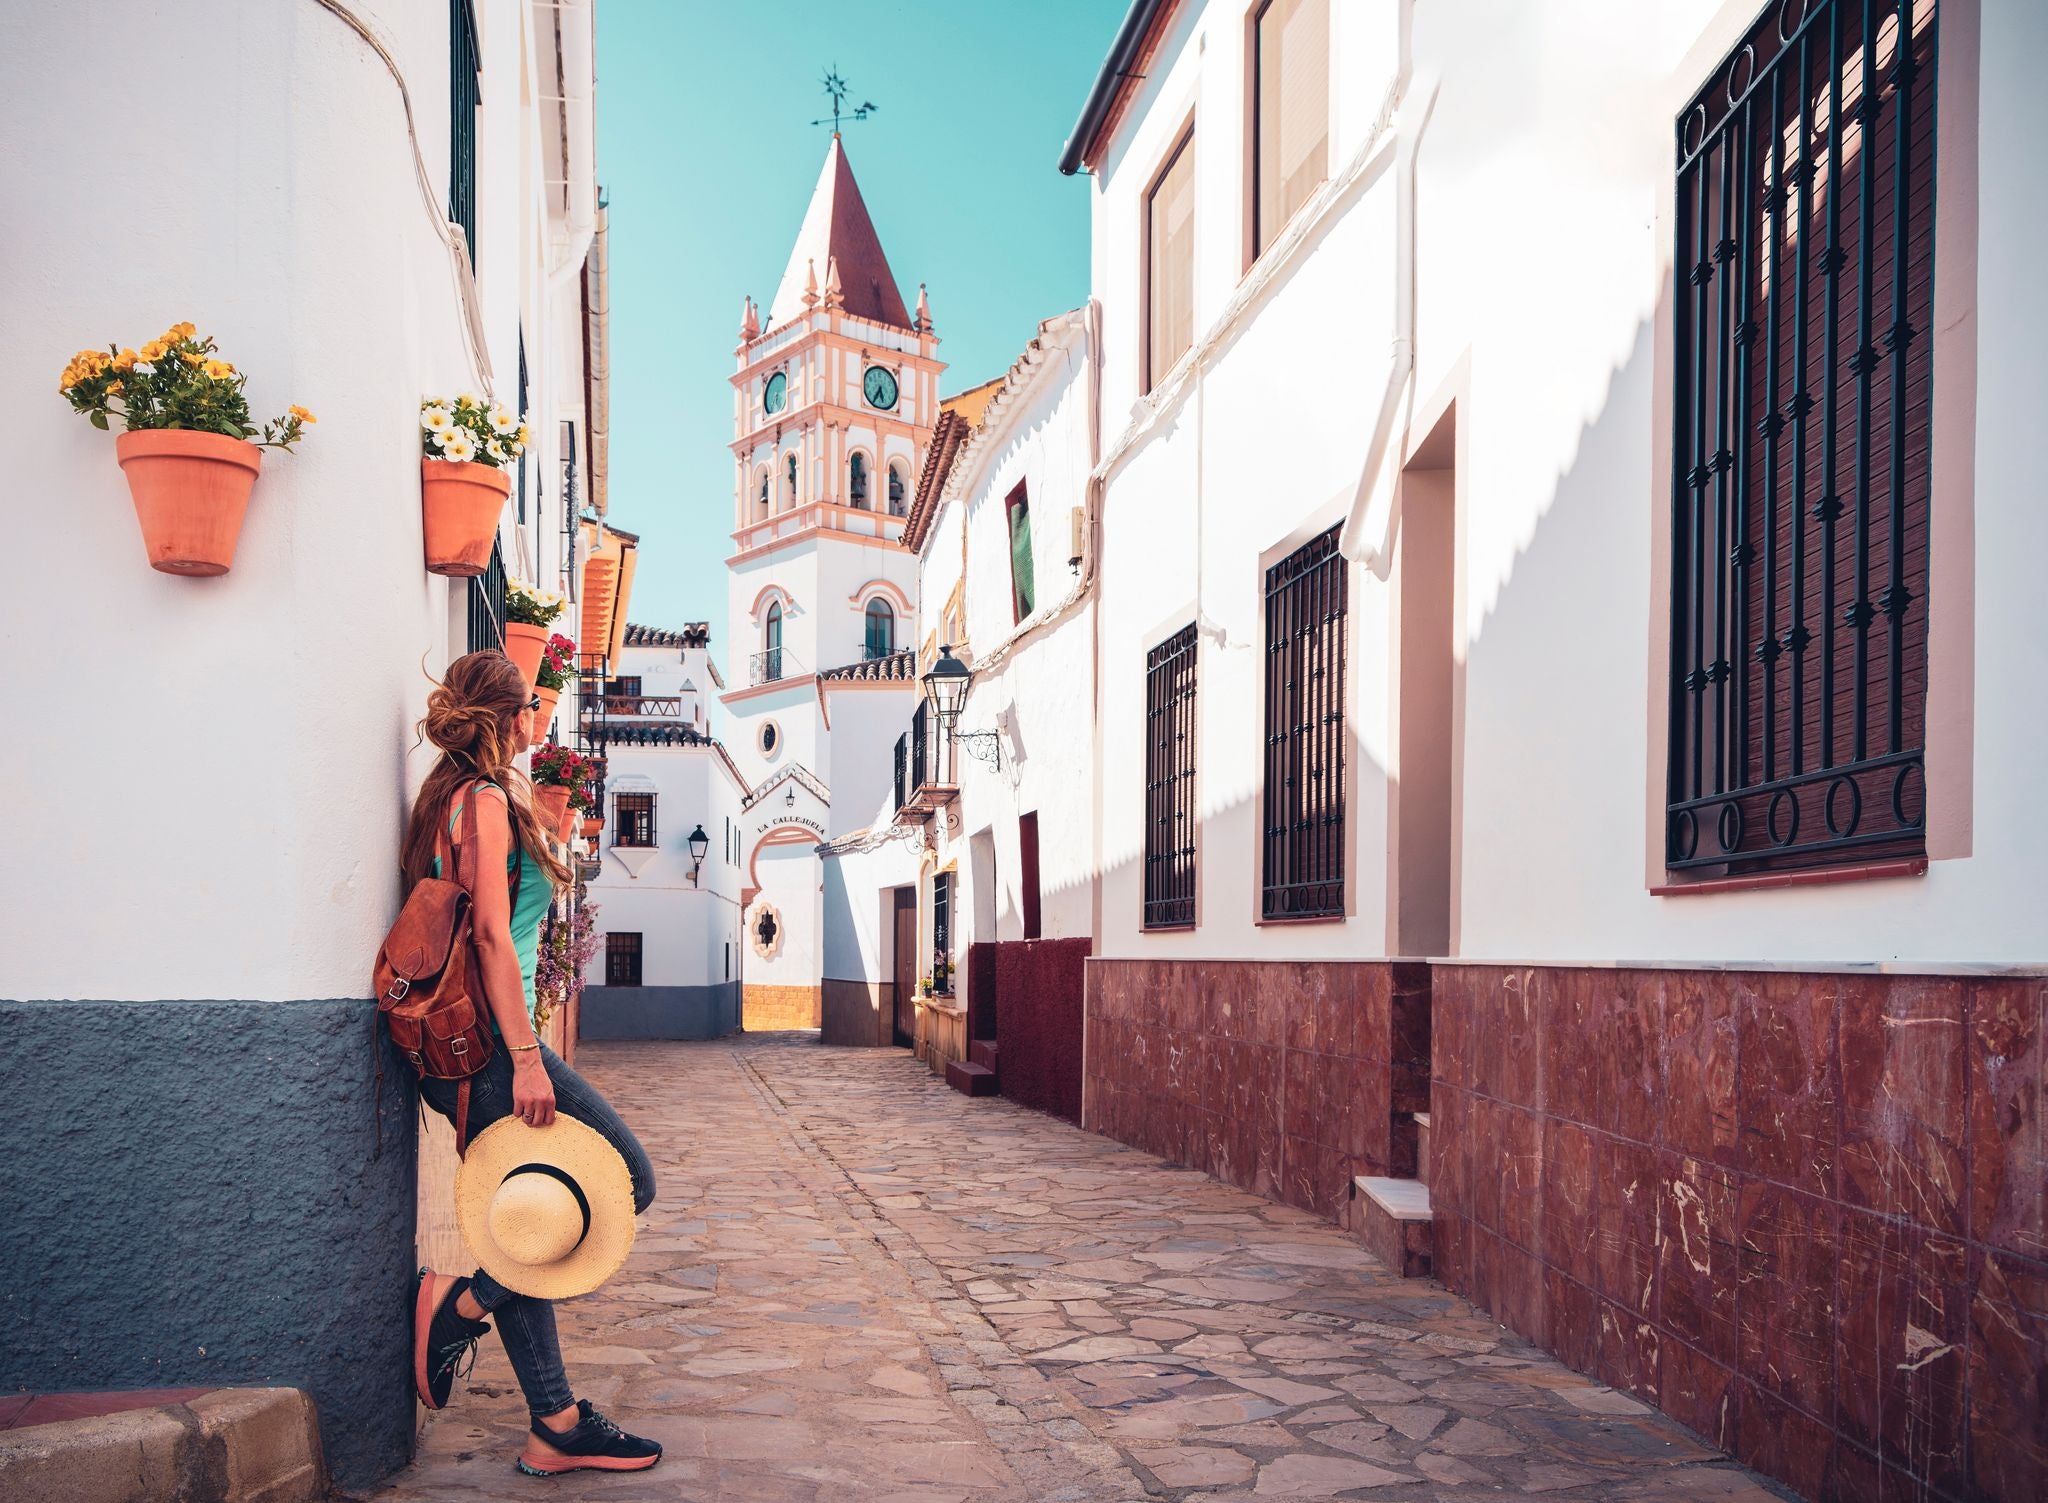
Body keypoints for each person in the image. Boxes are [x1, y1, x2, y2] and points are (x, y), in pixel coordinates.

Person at [400, 650, 662, 1477]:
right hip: (487, 1044)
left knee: (533, 1210)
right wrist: (525, 1058)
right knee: (627, 1179)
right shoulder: (477, 799)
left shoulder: (453, 795)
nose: (539, 725)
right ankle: (459, 1304)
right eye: (534, 711)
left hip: (473, 1042)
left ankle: (553, 1421)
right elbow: (486, 935)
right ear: (514, 719)